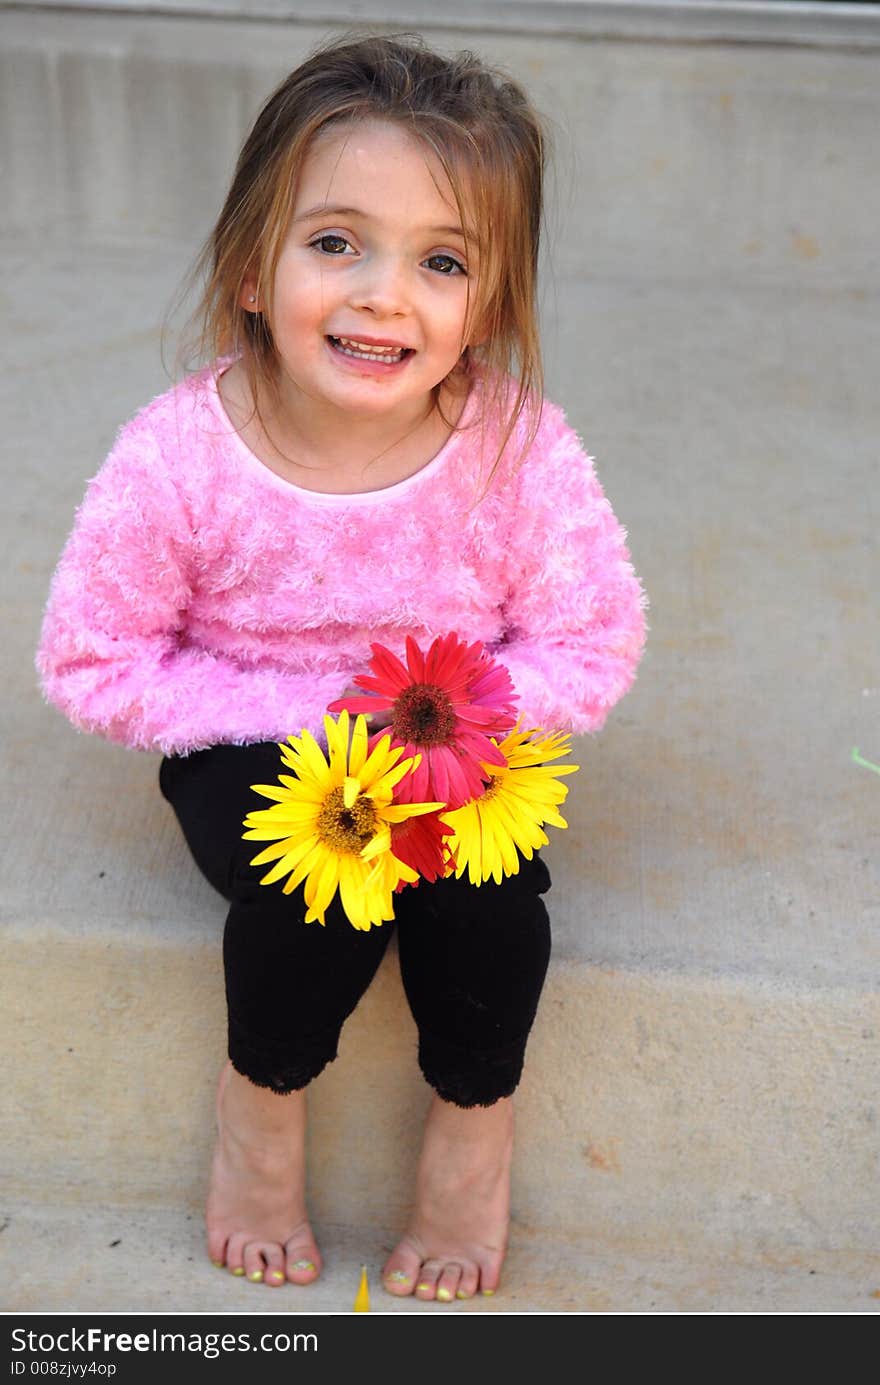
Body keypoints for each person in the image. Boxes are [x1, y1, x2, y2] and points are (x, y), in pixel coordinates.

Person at [36, 32, 646, 1303]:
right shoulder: (179, 459)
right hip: (252, 740)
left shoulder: (516, 450)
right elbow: (93, 660)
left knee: (488, 908)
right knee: (325, 885)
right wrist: (320, 724)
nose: (383, 295)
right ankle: (261, 1104)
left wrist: (453, 729)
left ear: (488, 302)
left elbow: (592, 639)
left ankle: (473, 1124)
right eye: (334, 242)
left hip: (455, 740)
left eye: (441, 261)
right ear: (252, 266)